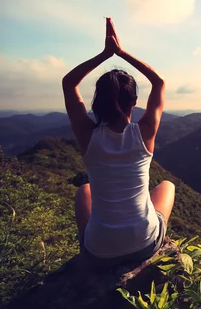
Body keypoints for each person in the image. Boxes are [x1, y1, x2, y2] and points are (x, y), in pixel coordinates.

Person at [61, 17, 175, 266]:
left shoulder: (88, 136)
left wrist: (104, 55)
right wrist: (121, 53)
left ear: (97, 103)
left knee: (84, 189)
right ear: (134, 103)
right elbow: (159, 82)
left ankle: (90, 245)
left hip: (98, 252)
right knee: (166, 186)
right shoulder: (145, 132)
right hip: (143, 245)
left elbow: (69, 83)